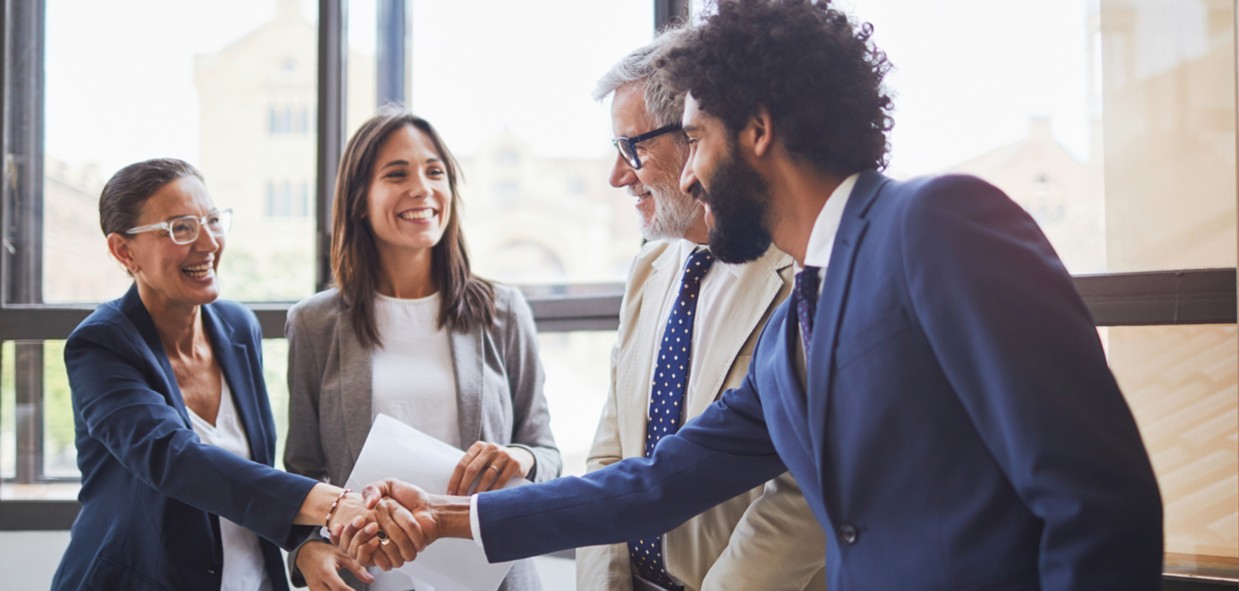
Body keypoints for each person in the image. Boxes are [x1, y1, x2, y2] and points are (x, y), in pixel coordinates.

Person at [353, 1, 1167, 589]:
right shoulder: (795, 331)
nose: (692, 175)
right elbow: (657, 481)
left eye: (698, 138)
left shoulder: (937, 223)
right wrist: (447, 515)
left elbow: (1099, 500)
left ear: (759, 131)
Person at [51, 158, 424, 591]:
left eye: (212, 220)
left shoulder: (236, 327)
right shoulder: (101, 345)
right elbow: (175, 459)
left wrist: (303, 542)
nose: (208, 242)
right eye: (180, 228)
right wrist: (333, 503)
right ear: (123, 251)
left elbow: (252, 469)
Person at [578, 30, 825, 591]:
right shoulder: (650, 268)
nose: (619, 175)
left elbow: (801, 493)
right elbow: (611, 451)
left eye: (631, 148)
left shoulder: (800, 274)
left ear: (694, 136)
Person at [284, 106, 561, 591]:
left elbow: (547, 451)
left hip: (493, 579)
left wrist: (522, 458)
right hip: (369, 579)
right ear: (359, 201)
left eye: (435, 172)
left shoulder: (503, 311)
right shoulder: (314, 324)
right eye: (397, 174)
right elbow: (303, 470)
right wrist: (307, 547)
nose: (422, 188)